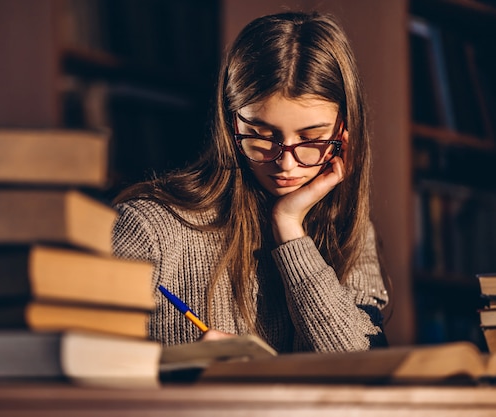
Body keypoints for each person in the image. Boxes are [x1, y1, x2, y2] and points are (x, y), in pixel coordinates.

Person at [111, 11, 389, 353]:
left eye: (312, 139)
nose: (285, 163)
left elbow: (362, 368)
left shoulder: (351, 231)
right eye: (261, 137)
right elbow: (81, 373)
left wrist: (289, 230)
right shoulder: (148, 228)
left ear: (344, 132)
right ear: (232, 125)